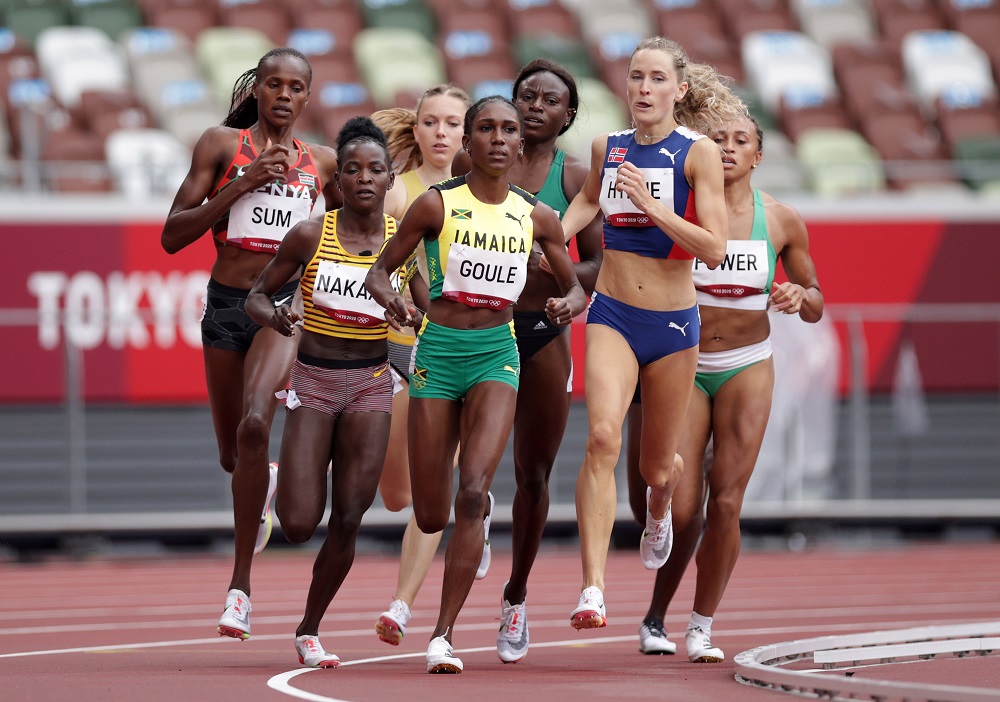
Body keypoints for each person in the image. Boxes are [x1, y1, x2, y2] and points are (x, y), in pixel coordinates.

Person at [366, 96, 588, 673]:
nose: (497, 139)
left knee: (470, 495)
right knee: (432, 510)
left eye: (508, 131)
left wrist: (567, 305)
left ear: (520, 146)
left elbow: (578, 287)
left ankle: (442, 634)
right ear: (469, 141)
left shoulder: (538, 216)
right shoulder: (436, 206)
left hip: (498, 355)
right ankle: (469, 508)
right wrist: (395, 305)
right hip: (437, 354)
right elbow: (379, 271)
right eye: (485, 129)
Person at [559, 36, 746, 630]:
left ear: (678, 91)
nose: (644, 89)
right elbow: (588, 203)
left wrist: (653, 204)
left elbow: (714, 247)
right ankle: (593, 589)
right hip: (613, 311)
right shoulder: (606, 147)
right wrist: (543, 242)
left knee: (656, 469)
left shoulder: (697, 155)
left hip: (672, 323)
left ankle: (660, 508)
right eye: (636, 77)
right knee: (601, 439)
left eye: (657, 79)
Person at [627, 115, 824, 662]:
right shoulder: (680, 210)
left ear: (758, 156)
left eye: (743, 141)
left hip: (747, 364)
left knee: (729, 502)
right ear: (703, 152)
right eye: (719, 140)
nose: (730, 148)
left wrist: (795, 296)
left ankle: (701, 625)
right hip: (685, 363)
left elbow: (815, 301)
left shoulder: (781, 220)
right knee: (683, 505)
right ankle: (656, 613)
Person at [159, 47, 339, 640]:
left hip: (284, 310)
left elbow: (353, 234)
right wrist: (239, 187)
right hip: (225, 307)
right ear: (256, 90)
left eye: (295, 87)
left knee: (256, 423)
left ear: (307, 98)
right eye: (273, 85)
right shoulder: (219, 145)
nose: (284, 95)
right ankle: (259, 485)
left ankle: (240, 588)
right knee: (235, 456)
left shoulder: (325, 164)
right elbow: (171, 236)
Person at [450, 60, 604, 663]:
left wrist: (563, 276)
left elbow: (597, 265)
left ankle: (515, 596)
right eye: (526, 97)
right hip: (477, 330)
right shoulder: (472, 165)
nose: (536, 106)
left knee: (535, 473)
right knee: (469, 471)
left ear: (568, 116)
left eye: (550, 100)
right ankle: (476, 513)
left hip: (542, 331)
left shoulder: (577, 178)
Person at [244, 116, 407, 667]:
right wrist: (280, 318)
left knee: (350, 518)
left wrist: (418, 314)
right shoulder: (312, 234)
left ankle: (310, 629)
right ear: (337, 182)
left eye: (375, 170)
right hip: (313, 381)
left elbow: (428, 301)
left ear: (390, 178)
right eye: (352, 170)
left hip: (371, 384)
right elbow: (256, 299)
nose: (364, 179)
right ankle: (276, 483)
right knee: (296, 526)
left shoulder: (401, 240)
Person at [365, 87, 490, 648]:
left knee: (438, 484)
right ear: (414, 132)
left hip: (457, 348)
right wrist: (405, 296)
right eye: (430, 123)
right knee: (396, 494)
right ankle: (477, 504)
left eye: (452, 124)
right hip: (393, 345)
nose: (441, 133)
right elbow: (373, 262)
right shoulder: (398, 194)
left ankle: (402, 604)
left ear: (467, 133)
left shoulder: (482, 194)